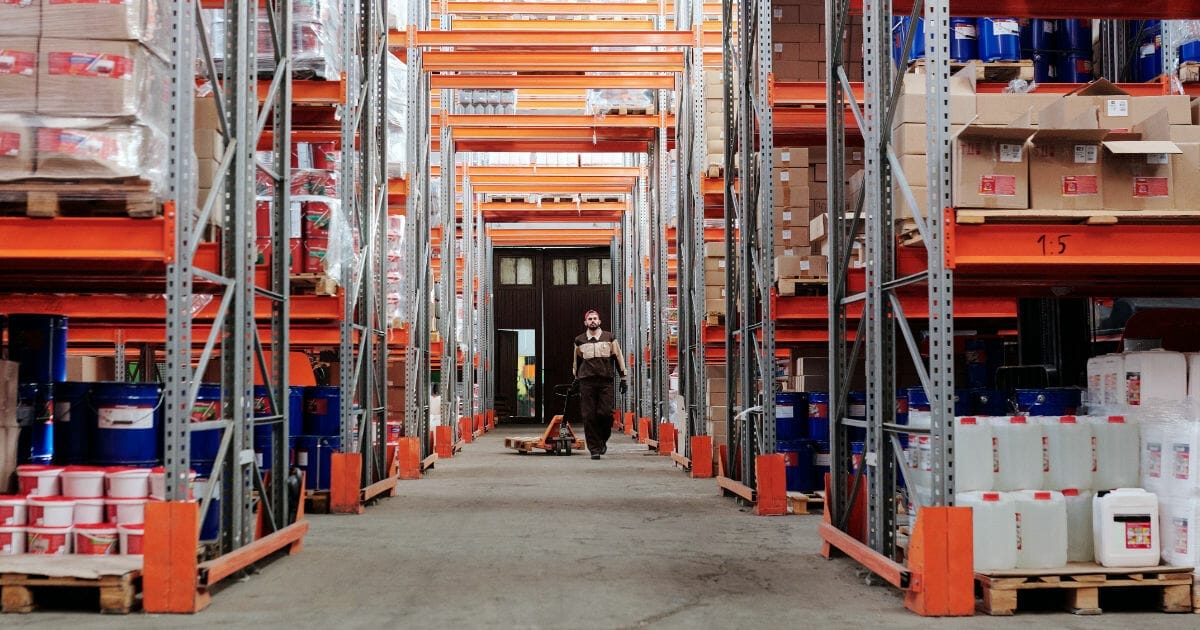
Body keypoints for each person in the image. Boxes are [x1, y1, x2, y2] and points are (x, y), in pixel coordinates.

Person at [572, 310, 628, 459]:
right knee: (588, 416)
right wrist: (576, 379)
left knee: (605, 414)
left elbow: (618, 357)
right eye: (590, 319)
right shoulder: (579, 340)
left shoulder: (609, 338)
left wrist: (623, 378)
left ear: (599, 321)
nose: (592, 321)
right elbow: (577, 361)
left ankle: (602, 440)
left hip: (605, 382)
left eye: (595, 318)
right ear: (585, 322)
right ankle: (594, 449)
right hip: (587, 382)